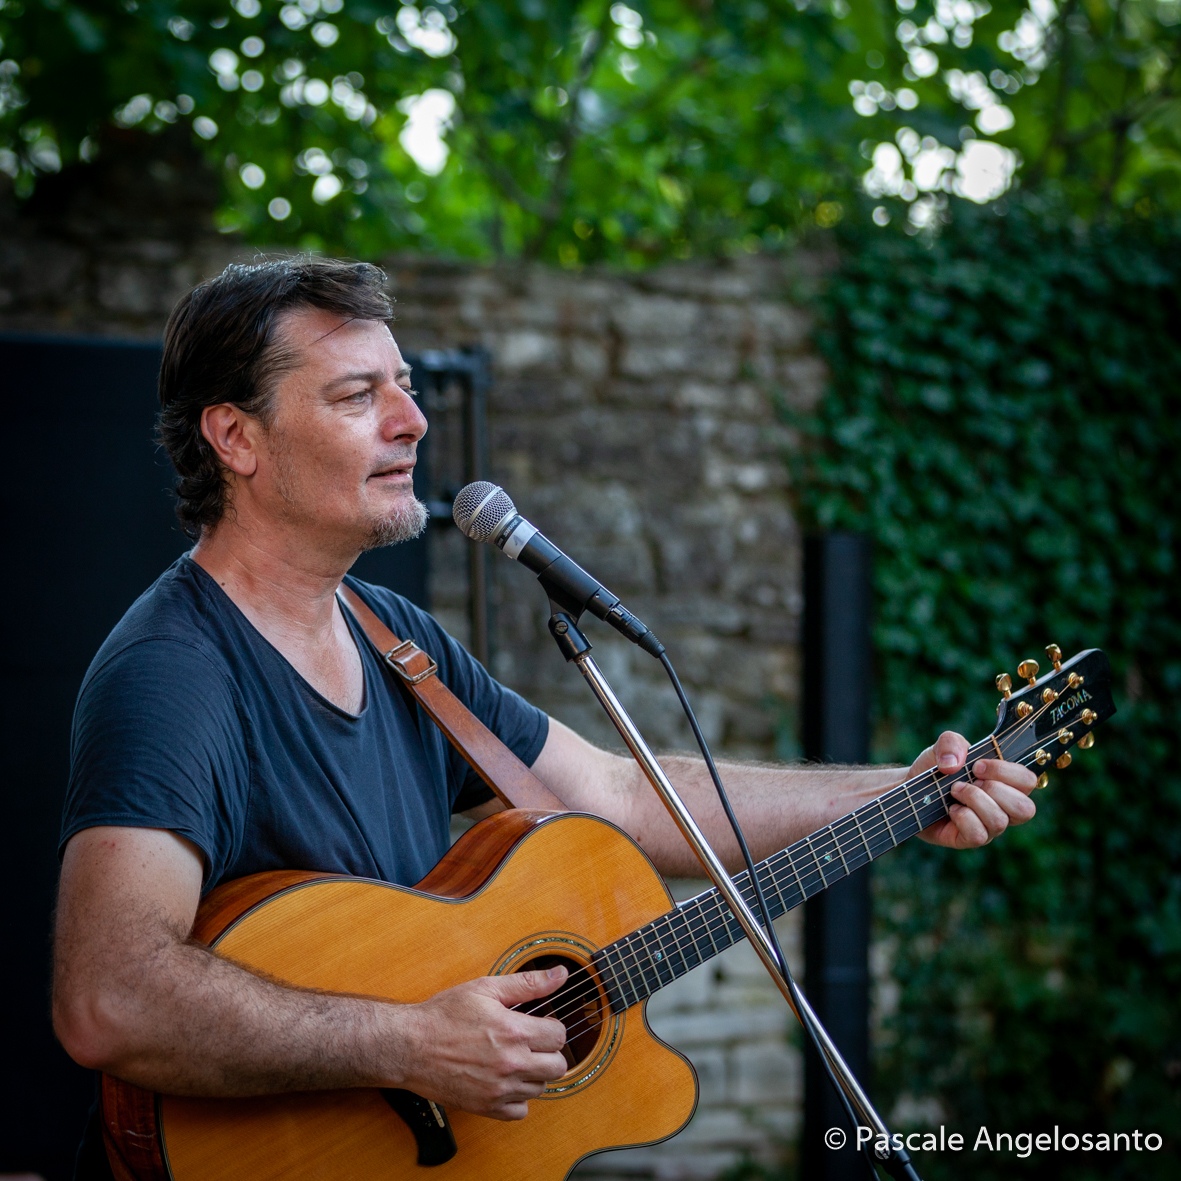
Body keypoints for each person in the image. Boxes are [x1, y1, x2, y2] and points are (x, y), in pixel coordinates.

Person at [52, 257, 1037, 1177]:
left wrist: (902, 791)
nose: (412, 420)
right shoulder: (173, 673)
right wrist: (408, 1041)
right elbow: (110, 996)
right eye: (357, 395)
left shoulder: (396, 637)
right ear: (236, 438)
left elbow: (620, 797)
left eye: (406, 385)